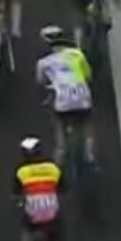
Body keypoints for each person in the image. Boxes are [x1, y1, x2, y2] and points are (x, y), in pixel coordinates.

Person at [13, 137, 68, 241]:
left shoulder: (21, 172)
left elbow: (16, 194)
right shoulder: (53, 169)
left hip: (34, 215)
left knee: (25, 230)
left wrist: (21, 201)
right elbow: (63, 189)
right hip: (52, 215)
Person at [34, 27, 97, 164]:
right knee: (87, 129)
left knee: (60, 136)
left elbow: (40, 82)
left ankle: (60, 159)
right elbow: (88, 76)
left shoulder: (43, 63)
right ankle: (90, 156)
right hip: (82, 100)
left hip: (63, 103)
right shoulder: (77, 54)